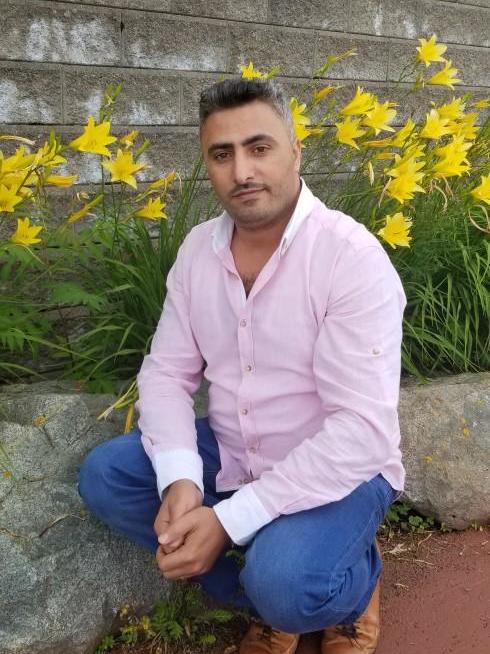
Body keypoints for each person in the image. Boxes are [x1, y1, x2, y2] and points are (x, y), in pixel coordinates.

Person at [78, 77, 406, 654]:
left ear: (295, 151)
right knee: (107, 476)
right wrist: (181, 479)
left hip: (342, 467)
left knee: (286, 580)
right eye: (222, 154)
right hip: (235, 447)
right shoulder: (197, 251)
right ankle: (268, 598)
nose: (242, 171)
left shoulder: (350, 258)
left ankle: (349, 585)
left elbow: (360, 432)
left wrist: (228, 522)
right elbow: (166, 373)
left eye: (259, 148)